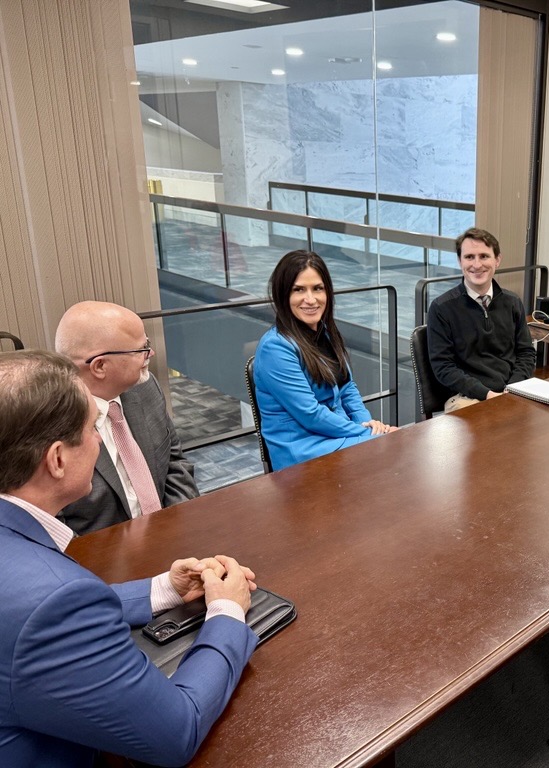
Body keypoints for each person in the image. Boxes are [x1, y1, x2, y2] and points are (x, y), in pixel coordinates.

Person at [0, 350, 258, 767]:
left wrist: (163, 589)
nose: (100, 440)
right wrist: (227, 611)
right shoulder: (50, 601)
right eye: (91, 430)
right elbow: (175, 732)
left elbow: (35, 617)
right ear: (57, 459)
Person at [54, 301, 199, 535]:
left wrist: (176, 528)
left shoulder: (145, 386)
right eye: (140, 349)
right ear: (100, 366)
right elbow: (52, 529)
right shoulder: (47, 426)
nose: (150, 354)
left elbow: (175, 462)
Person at [254, 250, 397, 470]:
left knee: (399, 444)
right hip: (302, 451)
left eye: (317, 289)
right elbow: (310, 414)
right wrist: (366, 433)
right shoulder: (275, 347)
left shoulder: (324, 333)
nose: (310, 299)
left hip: (335, 436)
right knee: (395, 447)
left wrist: (367, 423)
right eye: (298, 290)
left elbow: (347, 386)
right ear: (283, 295)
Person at [427, 227, 536, 412]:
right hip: (466, 397)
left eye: (484, 256)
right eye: (469, 257)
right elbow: (443, 367)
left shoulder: (513, 303)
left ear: (497, 260)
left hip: (511, 392)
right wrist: (488, 395)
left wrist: (511, 389)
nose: (477, 265)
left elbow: (526, 353)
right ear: (459, 261)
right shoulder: (441, 308)